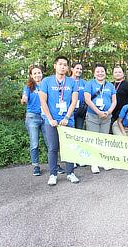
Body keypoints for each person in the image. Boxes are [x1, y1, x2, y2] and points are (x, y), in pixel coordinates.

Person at [39, 56, 80, 185]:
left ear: (67, 68)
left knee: (69, 147)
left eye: (65, 65)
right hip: (52, 121)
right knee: (53, 148)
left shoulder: (72, 82)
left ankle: (70, 172)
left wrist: (67, 117)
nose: (63, 67)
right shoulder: (46, 81)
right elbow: (43, 102)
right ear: (55, 65)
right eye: (60, 64)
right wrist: (50, 119)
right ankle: (53, 174)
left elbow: (74, 102)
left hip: (68, 121)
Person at [84, 64, 117, 174]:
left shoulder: (110, 86)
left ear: (105, 73)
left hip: (106, 117)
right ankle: (94, 163)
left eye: (102, 71)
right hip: (93, 116)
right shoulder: (90, 84)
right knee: (94, 139)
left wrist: (108, 112)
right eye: (97, 71)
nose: (100, 73)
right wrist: (98, 112)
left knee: (103, 140)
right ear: (94, 73)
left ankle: (103, 161)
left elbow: (114, 101)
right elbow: (87, 100)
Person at [21, 65, 48, 176]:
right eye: (35, 73)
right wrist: (24, 99)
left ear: (42, 74)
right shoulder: (28, 87)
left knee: (50, 143)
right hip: (33, 118)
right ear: (31, 76)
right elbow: (24, 97)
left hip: (46, 116)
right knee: (34, 143)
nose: (37, 75)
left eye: (39, 73)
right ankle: (36, 166)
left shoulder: (46, 85)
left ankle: (54, 164)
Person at [71, 62, 87, 130]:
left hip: (80, 111)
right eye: (77, 68)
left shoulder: (84, 83)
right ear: (72, 69)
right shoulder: (67, 81)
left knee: (79, 131)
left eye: (81, 69)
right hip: (69, 111)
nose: (79, 70)